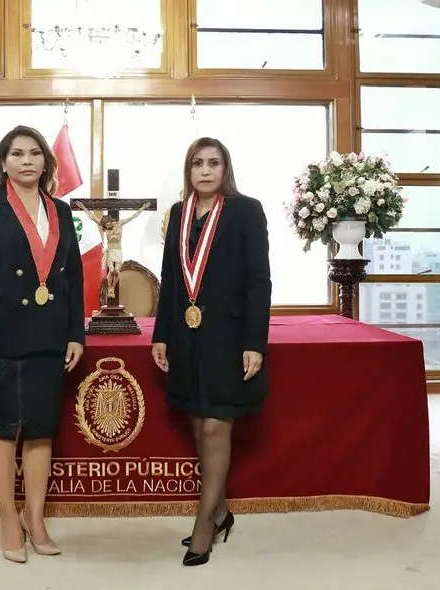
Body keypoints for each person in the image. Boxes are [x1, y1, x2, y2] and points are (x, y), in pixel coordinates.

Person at [0, 125, 86, 564]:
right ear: (3, 162)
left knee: (39, 431)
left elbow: (71, 278)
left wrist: (76, 333)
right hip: (1, 336)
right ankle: (8, 518)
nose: (27, 161)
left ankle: (36, 518)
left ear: (45, 162)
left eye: (35, 154)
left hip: (50, 336)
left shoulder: (62, 211)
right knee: (4, 429)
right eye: (17, 154)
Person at [151, 137, 272, 567]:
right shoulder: (179, 214)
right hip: (186, 337)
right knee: (200, 426)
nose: (205, 170)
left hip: (229, 337)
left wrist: (254, 342)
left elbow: (260, 281)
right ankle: (221, 511)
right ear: (188, 170)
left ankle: (205, 524)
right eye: (197, 163)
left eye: (213, 163)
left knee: (218, 427)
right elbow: (169, 277)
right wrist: (161, 334)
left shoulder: (245, 210)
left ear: (226, 169)